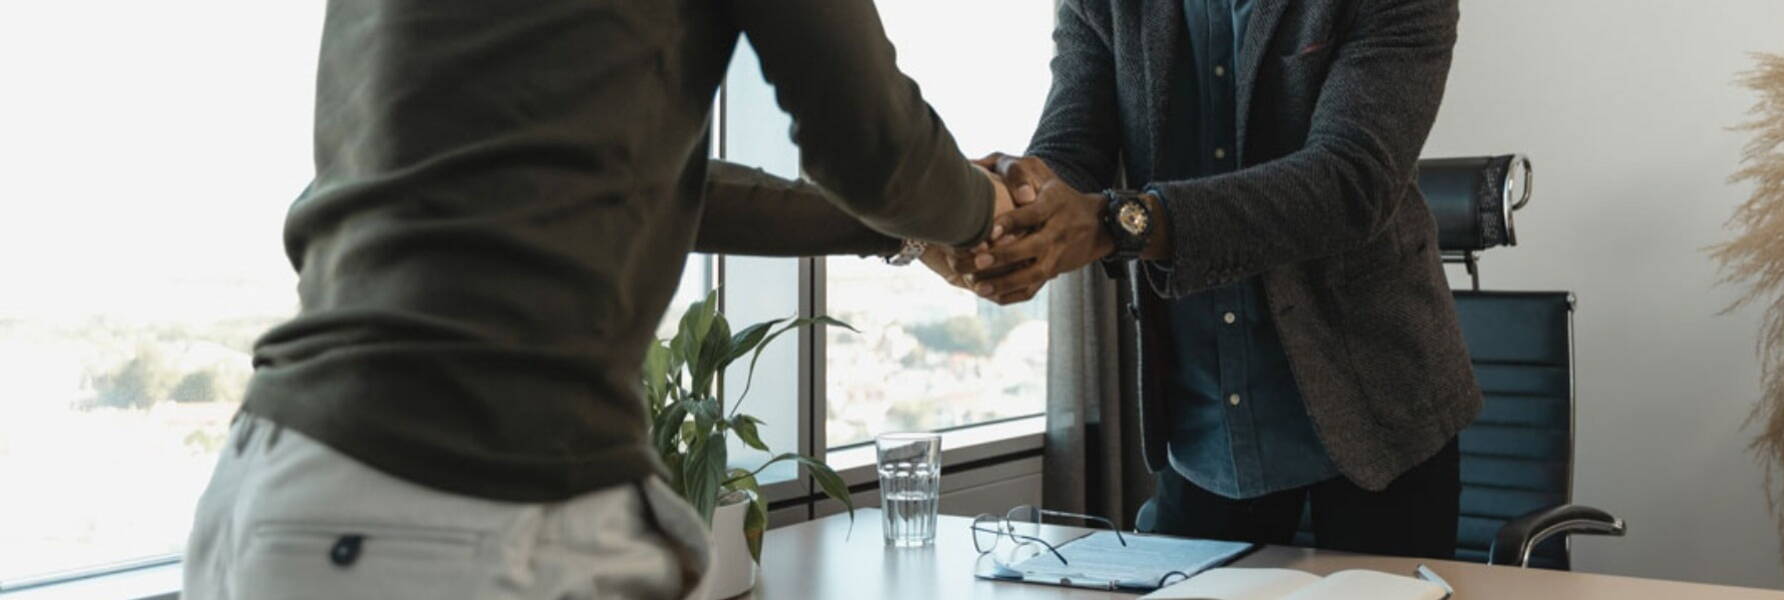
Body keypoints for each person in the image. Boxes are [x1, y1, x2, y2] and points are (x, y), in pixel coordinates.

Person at [182, 1, 1016, 598]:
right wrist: (985, 211)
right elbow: (877, 148)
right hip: (459, 504)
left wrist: (897, 235)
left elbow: (654, 185)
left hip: (274, 484)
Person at [948, 0, 1480, 558]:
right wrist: (1016, 206)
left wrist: (1125, 223)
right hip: (1205, 425)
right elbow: (1072, 151)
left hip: (1377, 419)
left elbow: (1349, 181)